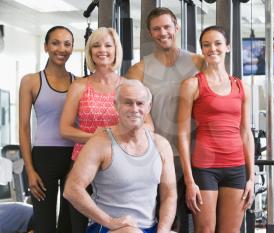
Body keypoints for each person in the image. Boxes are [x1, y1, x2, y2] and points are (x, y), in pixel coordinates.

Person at [63, 79, 177, 233]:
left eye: (140, 103)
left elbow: (169, 194)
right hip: (106, 228)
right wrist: (110, 222)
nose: (134, 109)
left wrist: (162, 230)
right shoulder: (99, 143)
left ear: (148, 107)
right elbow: (71, 189)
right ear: (116, 105)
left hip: (149, 228)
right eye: (128, 103)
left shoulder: (161, 145)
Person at [126, 7, 204, 231]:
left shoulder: (199, 63)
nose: (163, 33)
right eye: (156, 29)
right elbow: (133, 115)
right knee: (166, 220)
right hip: (157, 156)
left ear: (176, 27)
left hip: (196, 154)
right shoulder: (138, 70)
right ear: (150, 33)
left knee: (197, 220)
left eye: (167, 27)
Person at [178, 26, 255, 233]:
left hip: (236, 167)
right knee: (205, 230)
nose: (212, 48)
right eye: (206, 44)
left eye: (218, 43)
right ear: (202, 50)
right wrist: (189, 180)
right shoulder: (192, 85)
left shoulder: (242, 88)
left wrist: (251, 177)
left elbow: (246, 133)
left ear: (227, 47)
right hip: (205, 168)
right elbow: (183, 134)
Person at [60, 27, 124, 232]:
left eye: (107, 45)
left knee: (116, 225)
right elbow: (65, 129)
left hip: (118, 165)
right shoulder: (79, 86)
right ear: (90, 51)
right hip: (83, 163)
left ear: (116, 50)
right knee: (80, 226)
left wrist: (117, 138)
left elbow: (147, 124)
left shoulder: (128, 85)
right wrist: (97, 138)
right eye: (96, 45)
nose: (102, 50)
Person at [18, 25, 75, 233]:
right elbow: (23, 128)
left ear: (72, 48)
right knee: (45, 226)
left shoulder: (78, 83)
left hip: (73, 158)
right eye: (55, 43)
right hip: (43, 158)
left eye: (67, 44)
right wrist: (30, 170)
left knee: (68, 225)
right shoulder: (31, 81)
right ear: (46, 47)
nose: (61, 49)